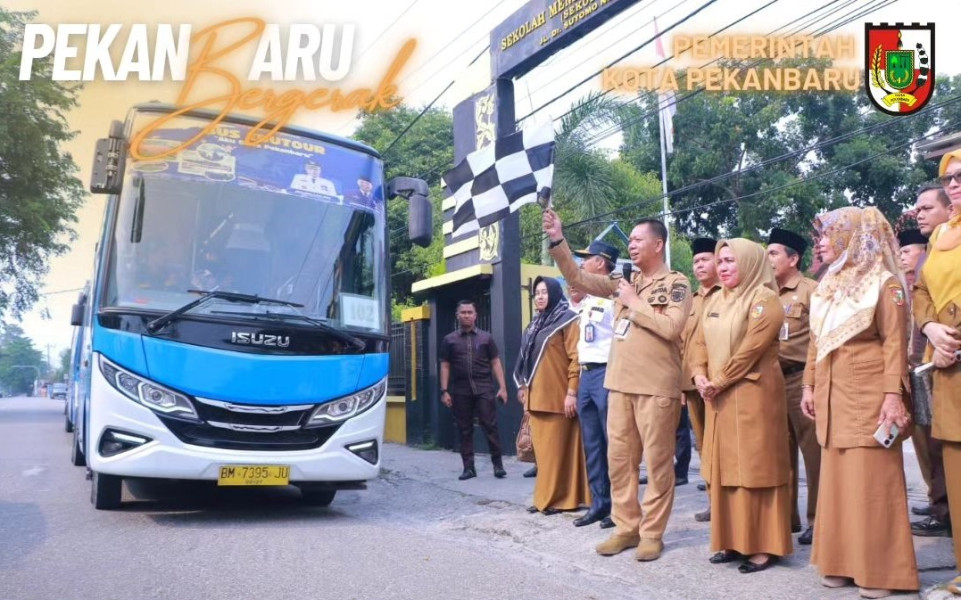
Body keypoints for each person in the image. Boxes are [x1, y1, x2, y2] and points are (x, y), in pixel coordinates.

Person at [543, 209, 691, 562]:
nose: (632, 245)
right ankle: (627, 527)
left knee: (657, 465)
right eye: (631, 241)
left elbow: (671, 328)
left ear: (658, 244)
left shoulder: (677, 284)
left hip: (656, 387)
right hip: (619, 385)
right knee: (620, 461)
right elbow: (577, 278)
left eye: (638, 240)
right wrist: (557, 239)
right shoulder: (626, 281)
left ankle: (652, 533)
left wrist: (634, 303)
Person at [801, 206, 919, 597]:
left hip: (870, 395)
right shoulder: (828, 285)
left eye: (828, 234)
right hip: (831, 397)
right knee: (838, 485)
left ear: (851, 237)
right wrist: (808, 387)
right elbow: (816, 345)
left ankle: (881, 571)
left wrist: (892, 396)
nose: (820, 242)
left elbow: (894, 345)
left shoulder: (884, 284)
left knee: (872, 486)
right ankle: (840, 562)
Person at [690, 239, 792, 574]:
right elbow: (699, 343)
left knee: (756, 470)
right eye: (720, 261)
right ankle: (733, 540)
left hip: (753, 396)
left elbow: (751, 351)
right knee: (725, 471)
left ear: (748, 262)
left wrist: (717, 381)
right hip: (717, 397)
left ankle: (764, 546)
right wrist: (699, 374)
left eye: (730, 260)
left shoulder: (765, 300)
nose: (722, 267)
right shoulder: (716, 299)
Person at [913, 149, 961, 596]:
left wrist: (954, 333)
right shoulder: (941, 235)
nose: (953, 183)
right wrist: (931, 328)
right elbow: (921, 288)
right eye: (948, 177)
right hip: (947, 367)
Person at [513, 276, 589, 514]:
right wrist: (523, 387)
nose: (540, 296)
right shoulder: (535, 325)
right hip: (537, 399)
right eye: (537, 292)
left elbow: (576, 358)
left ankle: (558, 500)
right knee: (545, 456)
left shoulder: (567, 320)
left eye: (545, 292)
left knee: (558, 454)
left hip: (559, 398)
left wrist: (572, 392)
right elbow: (524, 361)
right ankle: (546, 498)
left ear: (555, 293)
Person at [767, 227, 820, 546]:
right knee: (779, 452)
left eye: (774, 253)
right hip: (772, 380)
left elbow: (820, 339)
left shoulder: (812, 291)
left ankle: (818, 518)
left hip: (802, 380)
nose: (768, 258)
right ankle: (787, 518)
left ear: (794, 258)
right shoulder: (765, 293)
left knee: (814, 455)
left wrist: (813, 383)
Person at [905, 184, 954, 534]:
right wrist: (932, 326)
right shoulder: (936, 250)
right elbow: (923, 299)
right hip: (929, 363)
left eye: (926, 207)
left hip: (946, 356)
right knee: (935, 447)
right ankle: (943, 508)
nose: (917, 214)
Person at [568, 241, 619, 529]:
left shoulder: (614, 297)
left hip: (606, 373)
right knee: (593, 444)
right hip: (587, 376)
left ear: (601, 262)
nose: (582, 263)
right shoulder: (587, 301)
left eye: (587, 259)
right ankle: (599, 503)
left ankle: (619, 505)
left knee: (614, 443)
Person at [439, 300, 509, 480]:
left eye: (470, 312)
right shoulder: (450, 340)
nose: (467, 315)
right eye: (463, 312)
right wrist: (444, 390)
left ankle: (498, 465)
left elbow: (495, 362)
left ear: (475, 315)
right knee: (464, 429)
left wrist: (503, 387)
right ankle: (469, 468)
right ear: (458, 315)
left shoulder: (486, 338)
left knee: (490, 426)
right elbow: (445, 365)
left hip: (484, 388)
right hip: (460, 390)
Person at [681, 237, 721, 522]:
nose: (699, 266)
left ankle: (726, 500)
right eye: (696, 262)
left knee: (722, 444)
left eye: (705, 259)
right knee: (703, 445)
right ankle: (713, 501)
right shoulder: (690, 301)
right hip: (692, 384)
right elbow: (682, 343)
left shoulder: (728, 295)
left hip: (719, 383)